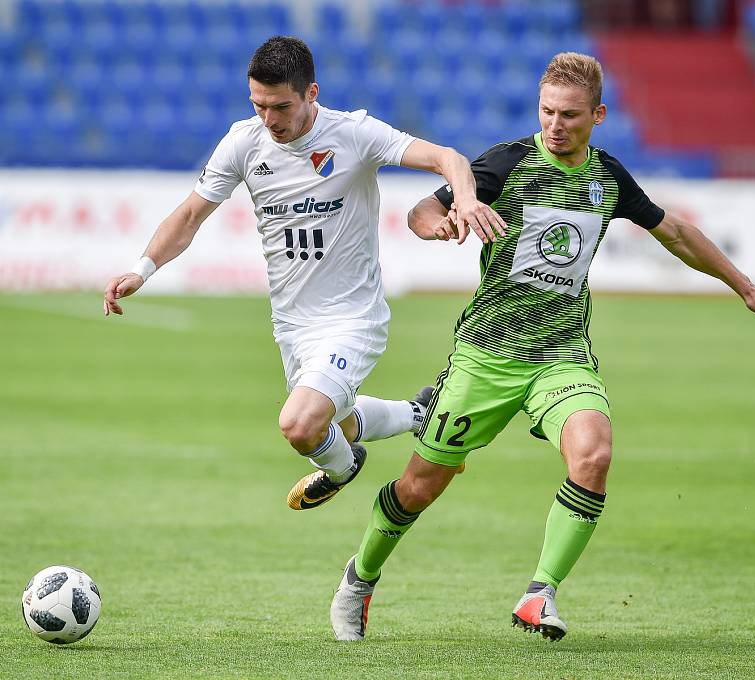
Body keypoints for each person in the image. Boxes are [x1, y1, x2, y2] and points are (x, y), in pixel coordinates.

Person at [329, 51, 755, 641]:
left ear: (598, 115)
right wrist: (438, 223)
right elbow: (422, 208)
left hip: (562, 357)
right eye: (546, 111)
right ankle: (360, 578)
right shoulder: (506, 165)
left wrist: (742, 284)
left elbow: (673, 230)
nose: (554, 124)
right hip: (486, 357)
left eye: (569, 114)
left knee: (593, 455)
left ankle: (540, 595)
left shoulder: (607, 178)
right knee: (421, 486)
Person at [102, 36, 506, 511]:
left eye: (280, 106)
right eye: (258, 105)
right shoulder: (243, 142)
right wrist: (142, 269)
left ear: (311, 93)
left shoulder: (353, 134)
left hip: (352, 317)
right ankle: (420, 412)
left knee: (299, 424)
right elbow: (191, 215)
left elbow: (449, 159)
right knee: (334, 423)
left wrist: (465, 198)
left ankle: (343, 467)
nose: (269, 119)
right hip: (292, 324)